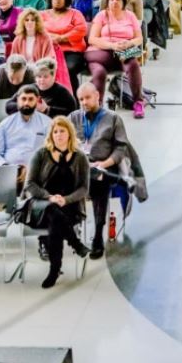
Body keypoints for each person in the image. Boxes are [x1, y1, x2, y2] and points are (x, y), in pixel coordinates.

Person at [0, 84, 52, 264]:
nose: (26, 103)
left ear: (37, 101)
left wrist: (30, 167)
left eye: (30, 99)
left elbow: (51, 153)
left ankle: (44, 241)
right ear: (17, 100)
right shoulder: (5, 124)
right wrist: (7, 167)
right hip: (8, 172)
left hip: (37, 174)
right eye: (23, 99)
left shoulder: (47, 123)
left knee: (44, 193)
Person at [69, 81, 139, 259]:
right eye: (81, 99)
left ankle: (98, 235)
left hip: (105, 166)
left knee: (99, 184)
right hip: (78, 166)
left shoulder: (113, 118)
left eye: (87, 98)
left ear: (97, 96)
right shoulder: (74, 118)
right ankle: (68, 232)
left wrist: (104, 163)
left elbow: (120, 148)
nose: (84, 102)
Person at [23, 116, 90, 288]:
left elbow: (84, 188)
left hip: (69, 206)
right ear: (51, 135)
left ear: (70, 133)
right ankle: (75, 244)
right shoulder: (41, 154)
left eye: (62, 131)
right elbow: (30, 184)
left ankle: (54, 270)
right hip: (41, 205)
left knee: (56, 223)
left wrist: (65, 200)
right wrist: (50, 197)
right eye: (55, 132)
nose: (59, 135)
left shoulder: (80, 157)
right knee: (53, 211)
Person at [86, 0, 145, 118]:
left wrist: (128, 43)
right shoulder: (101, 15)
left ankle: (138, 103)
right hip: (100, 53)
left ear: (124, 2)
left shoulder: (130, 16)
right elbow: (92, 39)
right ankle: (97, 106)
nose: (114, 2)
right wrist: (112, 45)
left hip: (123, 52)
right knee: (99, 72)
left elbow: (139, 38)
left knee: (133, 64)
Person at [41, 0, 87, 95]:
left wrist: (61, 38)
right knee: (43, 69)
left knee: (68, 69)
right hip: (49, 51)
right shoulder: (42, 15)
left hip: (72, 52)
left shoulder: (75, 13)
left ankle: (73, 101)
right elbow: (39, 31)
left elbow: (81, 30)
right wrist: (52, 38)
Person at [7, 58, 76, 118]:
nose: (42, 80)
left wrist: (47, 109)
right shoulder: (28, 89)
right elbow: (9, 105)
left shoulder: (62, 92)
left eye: (45, 77)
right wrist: (27, 106)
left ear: (53, 76)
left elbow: (72, 113)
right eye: (39, 77)